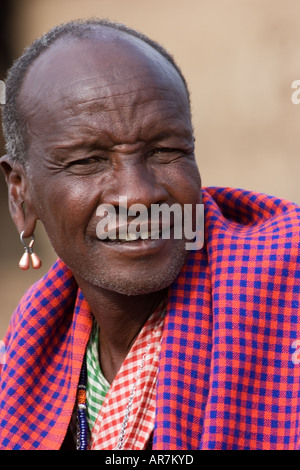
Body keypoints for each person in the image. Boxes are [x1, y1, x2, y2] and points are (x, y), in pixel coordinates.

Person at [0, 18, 300, 451]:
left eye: (166, 151)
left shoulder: (285, 281)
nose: (139, 194)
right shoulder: (26, 360)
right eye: (88, 161)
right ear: (21, 196)